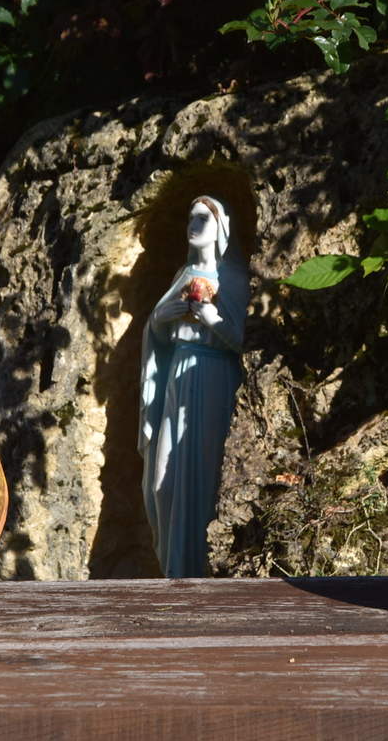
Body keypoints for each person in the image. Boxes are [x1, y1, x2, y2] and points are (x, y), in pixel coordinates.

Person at [138, 196, 248, 578]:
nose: (195, 225)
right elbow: (159, 339)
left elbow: (244, 342)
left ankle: (197, 572)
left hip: (212, 376)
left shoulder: (233, 279)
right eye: (191, 218)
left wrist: (213, 320)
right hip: (176, 376)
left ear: (221, 228)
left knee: (201, 476)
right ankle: (174, 571)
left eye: (204, 219)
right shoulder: (183, 276)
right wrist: (158, 319)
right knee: (162, 484)